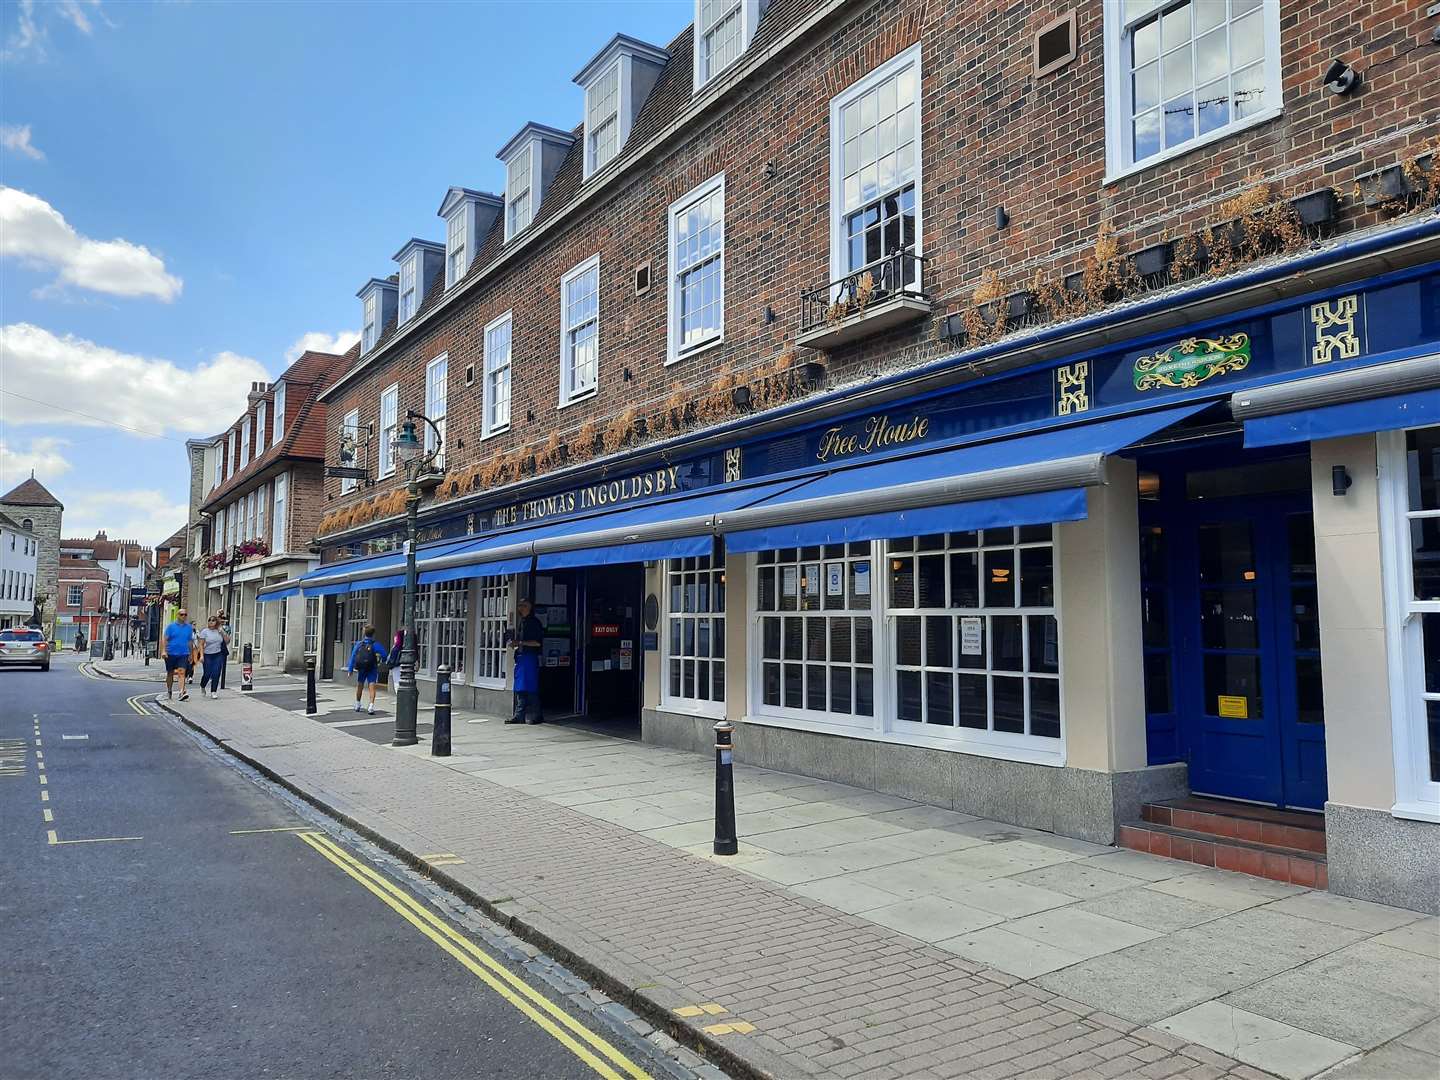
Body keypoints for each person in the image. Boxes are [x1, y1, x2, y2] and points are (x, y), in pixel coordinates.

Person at [506, 598, 545, 725]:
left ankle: (537, 714)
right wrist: (515, 644)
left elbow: (537, 642)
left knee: (531, 687)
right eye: (518, 605)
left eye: (522, 605)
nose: (519, 608)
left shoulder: (534, 623)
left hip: (530, 657)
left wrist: (520, 642)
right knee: (520, 688)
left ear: (528, 607)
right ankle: (519, 715)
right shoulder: (522, 622)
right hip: (521, 657)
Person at [347, 624, 382, 713]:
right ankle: (371, 706)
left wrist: (350, 669)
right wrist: (381, 661)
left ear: (364, 633)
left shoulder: (359, 644)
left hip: (362, 668)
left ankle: (358, 704)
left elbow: (353, 656)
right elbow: (385, 655)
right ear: (373, 634)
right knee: (372, 686)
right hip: (372, 668)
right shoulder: (375, 645)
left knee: (360, 685)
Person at [162, 608, 196, 701]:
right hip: (171, 653)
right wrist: (164, 651)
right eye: (181, 614)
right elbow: (165, 639)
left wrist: (191, 654)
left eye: (185, 614)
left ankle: (181, 692)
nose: (184, 616)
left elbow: (190, 641)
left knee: (182, 672)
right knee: (170, 673)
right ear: (177, 615)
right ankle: (169, 690)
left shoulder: (189, 627)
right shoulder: (171, 627)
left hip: (183, 653)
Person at [197, 615, 229, 699]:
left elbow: (227, 641)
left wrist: (222, 632)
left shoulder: (219, 631)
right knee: (207, 674)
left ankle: (213, 691)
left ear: (216, 622)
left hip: (218, 654)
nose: (211, 622)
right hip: (207, 655)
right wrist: (201, 655)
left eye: (213, 620)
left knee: (216, 673)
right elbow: (201, 644)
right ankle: (202, 685)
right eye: (209, 620)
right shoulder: (205, 631)